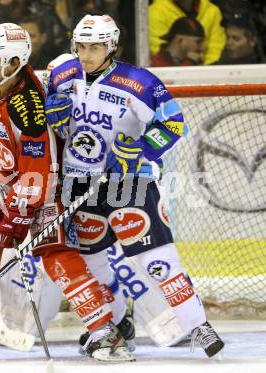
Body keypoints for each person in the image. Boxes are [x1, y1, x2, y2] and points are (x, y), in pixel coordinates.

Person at [0, 23, 134, 363]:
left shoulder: (29, 106)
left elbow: (38, 166)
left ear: (12, 63)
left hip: (42, 186)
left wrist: (19, 214)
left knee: (56, 253)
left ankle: (104, 331)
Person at [45, 14, 225, 358]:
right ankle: (114, 326)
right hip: (79, 184)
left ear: (111, 45)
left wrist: (141, 149)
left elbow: (173, 124)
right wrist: (53, 123)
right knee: (93, 264)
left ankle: (197, 325)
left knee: (158, 262)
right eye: (80, 47)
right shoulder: (61, 76)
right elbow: (58, 134)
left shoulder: (140, 82)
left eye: (94, 47)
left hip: (130, 183)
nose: (85, 54)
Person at [149, 0, 225, 65]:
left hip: (208, 75)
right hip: (169, 74)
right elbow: (160, 53)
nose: (201, 47)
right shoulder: (156, 12)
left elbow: (216, 49)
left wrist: (205, 73)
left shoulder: (211, 11)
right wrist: (189, 63)